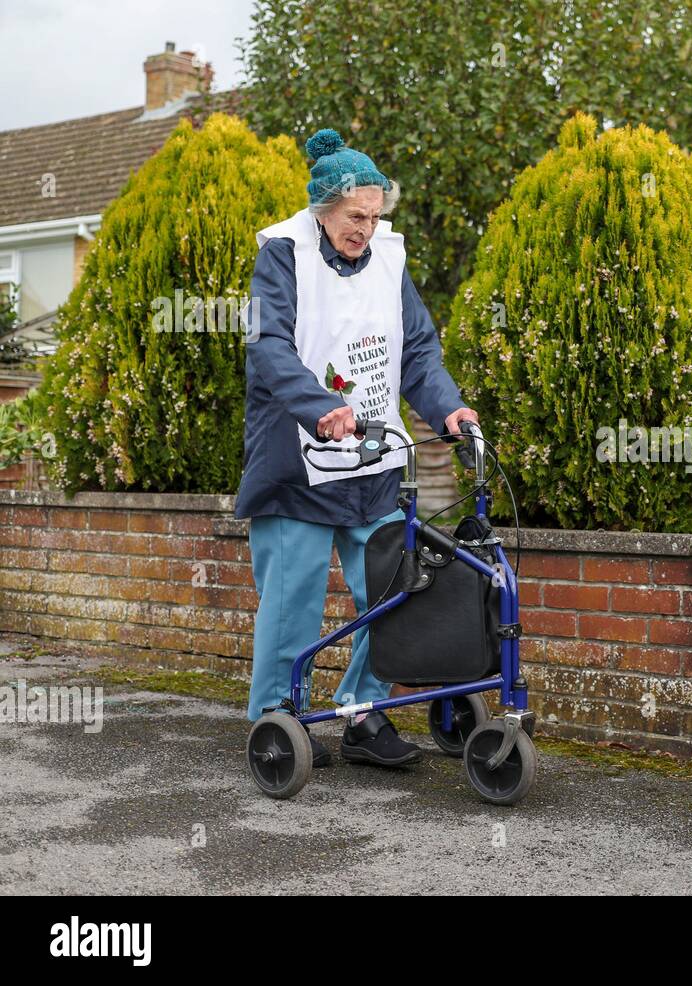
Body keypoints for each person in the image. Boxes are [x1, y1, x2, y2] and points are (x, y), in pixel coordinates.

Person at [236, 128, 478, 768]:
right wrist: (321, 408)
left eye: (374, 216)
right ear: (323, 209)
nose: (365, 229)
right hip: (297, 464)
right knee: (294, 604)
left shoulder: (390, 262)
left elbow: (418, 352)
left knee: (398, 589)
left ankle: (362, 715)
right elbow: (267, 347)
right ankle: (278, 721)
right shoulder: (283, 255)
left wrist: (447, 407)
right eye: (354, 216)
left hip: (373, 458)